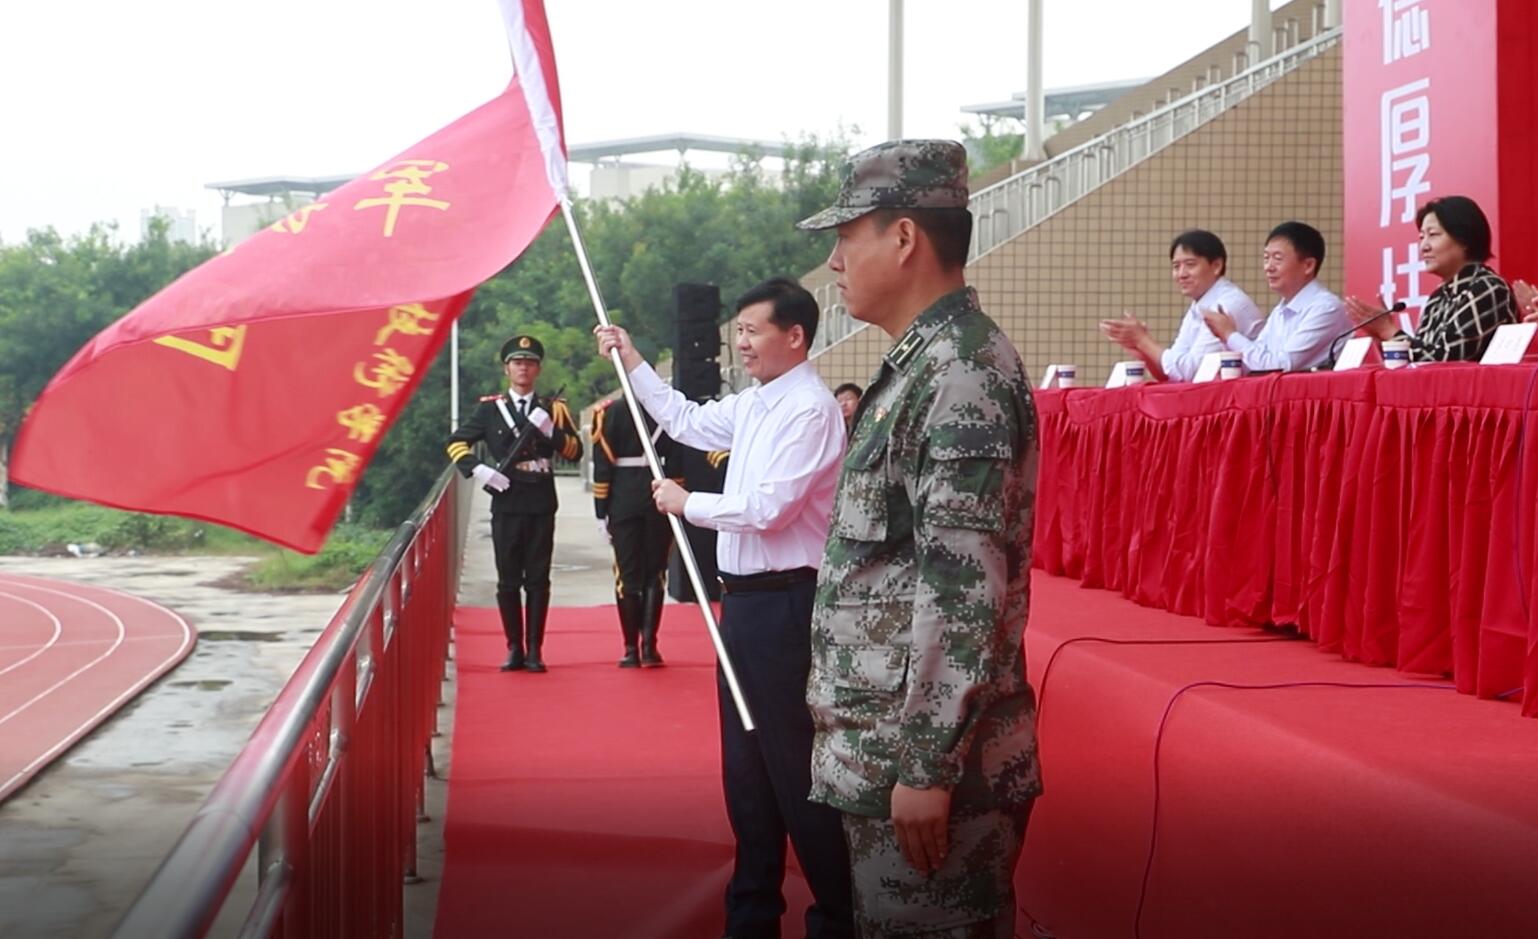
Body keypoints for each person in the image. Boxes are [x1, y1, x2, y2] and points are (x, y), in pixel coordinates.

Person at [796, 139, 1041, 938]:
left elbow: (961, 587)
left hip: (930, 773)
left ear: (904, 237)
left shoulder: (958, 374)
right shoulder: (925, 365)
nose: (835, 261)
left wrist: (927, 765)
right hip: (888, 757)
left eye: (847, 236)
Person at [594, 279, 854, 939]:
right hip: (741, 606)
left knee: (793, 769)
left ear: (794, 335)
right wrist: (631, 358)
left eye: (752, 330)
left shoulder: (810, 409)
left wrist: (690, 504)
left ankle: (839, 914)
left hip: (785, 607)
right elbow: (684, 418)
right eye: (737, 330)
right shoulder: (756, 401)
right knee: (747, 773)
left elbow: (771, 508)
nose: (741, 343)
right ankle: (752, 914)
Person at [445, 335, 582, 673]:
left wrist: (551, 431)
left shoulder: (554, 409)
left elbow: (575, 452)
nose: (524, 368)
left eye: (530, 363)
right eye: (518, 362)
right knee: (508, 579)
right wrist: (480, 470)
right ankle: (513, 647)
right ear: (507, 369)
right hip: (506, 499)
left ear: (538, 369)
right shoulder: (490, 410)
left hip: (540, 499)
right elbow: (456, 442)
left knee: (538, 577)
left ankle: (535, 649)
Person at [1345, 196, 1517, 360]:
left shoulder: (1488, 288)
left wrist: (1388, 331)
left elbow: (1445, 361)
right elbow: (1422, 357)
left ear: (1464, 239)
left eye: (1433, 235)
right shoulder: (1438, 297)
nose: (1423, 246)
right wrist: (1385, 340)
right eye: (1421, 237)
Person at [1099, 229, 1263, 381]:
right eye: (1176, 266)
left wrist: (1143, 340)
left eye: (1190, 265)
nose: (1181, 274)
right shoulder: (1199, 304)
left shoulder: (1227, 304)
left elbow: (1192, 372)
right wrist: (1142, 350)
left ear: (1216, 266)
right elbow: (1171, 374)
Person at [591, 395, 675, 668]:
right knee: (655, 572)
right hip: (659, 494)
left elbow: (603, 463)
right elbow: (678, 459)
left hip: (623, 497)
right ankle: (649, 646)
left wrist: (600, 509)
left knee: (627, 574)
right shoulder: (665, 407)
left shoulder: (610, 411)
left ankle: (630, 649)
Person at [1204, 221, 1349, 372]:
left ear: (1308, 266)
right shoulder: (1281, 310)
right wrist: (1227, 338)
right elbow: (1256, 362)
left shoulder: (1325, 308)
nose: (1269, 267)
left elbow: (1278, 367)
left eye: (1278, 259)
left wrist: (1230, 335)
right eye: (1266, 258)